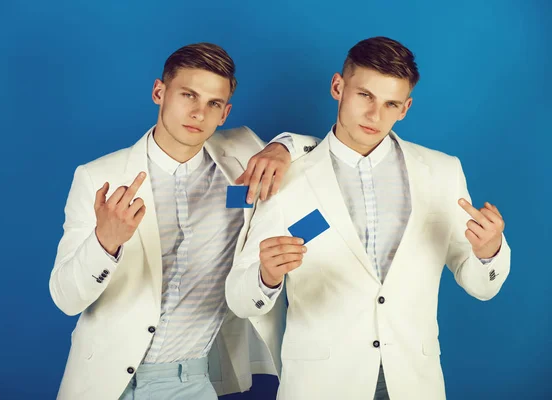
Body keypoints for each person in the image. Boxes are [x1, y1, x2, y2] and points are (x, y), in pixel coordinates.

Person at [225, 36, 510, 400]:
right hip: (321, 384)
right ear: (338, 87)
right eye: (365, 96)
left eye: (391, 103)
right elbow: (238, 297)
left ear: (405, 108)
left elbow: (481, 286)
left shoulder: (442, 172)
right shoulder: (286, 177)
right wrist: (266, 275)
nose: (376, 116)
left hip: (413, 382)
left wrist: (489, 251)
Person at [49, 42, 318, 400]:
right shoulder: (99, 177)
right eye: (188, 95)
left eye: (213, 104)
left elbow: (325, 158)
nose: (198, 113)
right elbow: (66, 299)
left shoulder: (243, 155)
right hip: (106, 384)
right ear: (159, 92)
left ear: (225, 113)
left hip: (192, 380)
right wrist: (105, 242)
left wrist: (282, 147)